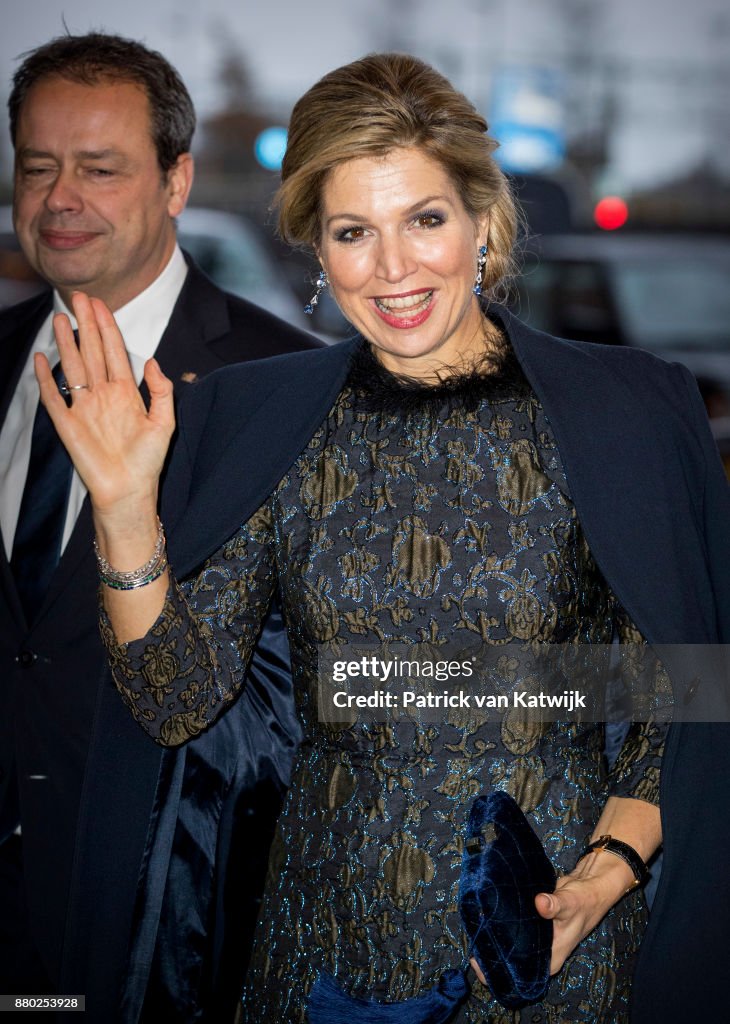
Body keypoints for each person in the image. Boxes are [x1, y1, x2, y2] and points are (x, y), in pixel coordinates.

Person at [38, 54, 730, 1023]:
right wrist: (120, 505)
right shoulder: (268, 424)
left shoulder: (622, 416)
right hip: (319, 965)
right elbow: (176, 698)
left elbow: (686, 700)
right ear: (316, 253)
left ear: (482, 224)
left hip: (553, 965)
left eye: (425, 220)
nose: (393, 268)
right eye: (353, 232)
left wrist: (607, 870)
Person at [0, 31, 317, 1022]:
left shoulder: (287, 389)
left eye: (100, 169)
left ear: (176, 182)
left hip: (162, 936)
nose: (61, 198)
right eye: (39, 166)